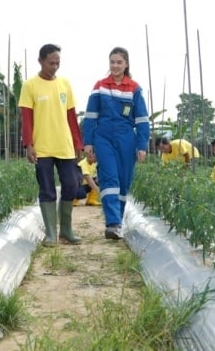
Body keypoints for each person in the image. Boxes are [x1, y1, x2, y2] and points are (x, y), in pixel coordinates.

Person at [18, 43, 84, 247]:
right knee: (47, 188)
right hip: (42, 147)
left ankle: (66, 230)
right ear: (40, 61)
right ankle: (50, 234)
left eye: (58, 63)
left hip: (64, 145)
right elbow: (27, 118)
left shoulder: (65, 84)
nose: (55, 66)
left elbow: (71, 116)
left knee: (72, 185)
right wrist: (29, 144)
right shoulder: (30, 85)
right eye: (51, 63)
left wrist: (78, 142)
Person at [82, 47, 150, 240]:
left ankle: (117, 222)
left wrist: (142, 145)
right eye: (112, 62)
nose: (115, 66)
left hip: (127, 138)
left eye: (119, 62)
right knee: (109, 178)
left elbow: (142, 119)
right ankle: (112, 223)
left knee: (123, 180)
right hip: (103, 137)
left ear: (126, 64)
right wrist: (88, 143)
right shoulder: (100, 86)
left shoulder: (134, 88)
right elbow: (90, 116)